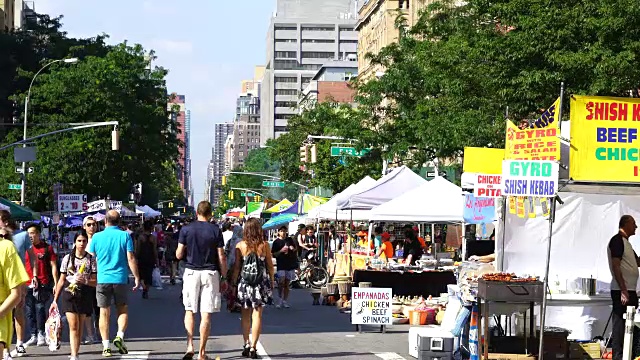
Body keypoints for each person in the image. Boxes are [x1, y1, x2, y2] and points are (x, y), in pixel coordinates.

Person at [176, 201, 228, 360]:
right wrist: (224, 276)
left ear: (197, 212)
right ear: (210, 213)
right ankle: (202, 353)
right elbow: (221, 256)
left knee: (189, 310)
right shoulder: (215, 230)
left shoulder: (186, 229)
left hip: (191, 271)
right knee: (206, 314)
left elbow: (178, 254)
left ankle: (190, 345)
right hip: (210, 273)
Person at [88, 210, 140, 357]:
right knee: (122, 310)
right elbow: (130, 258)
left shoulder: (97, 237)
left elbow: (91, 260)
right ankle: (119, 336)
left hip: (102, 279)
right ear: (119, 221)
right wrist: (136, 276)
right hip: (120, 279)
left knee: (103, 313)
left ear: (105, 221)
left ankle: (106, 346)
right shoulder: (125, 236)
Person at [231, 218, 274, 359]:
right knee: (257, 316)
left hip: (245, 283)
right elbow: (269, 265)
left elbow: (237, 267)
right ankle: (254, 347)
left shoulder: (240, 246)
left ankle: (246, 343)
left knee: (245, 316)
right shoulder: (264, 245)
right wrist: (272, 281)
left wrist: (233, 283)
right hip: (260, 283)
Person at [51, 231, 97, 360]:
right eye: (79, 241)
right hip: (69, 294)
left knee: (80, 325)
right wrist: (55, 300)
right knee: (73, 325)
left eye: (84, 241)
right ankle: (74, 355)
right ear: (75, 242)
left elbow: (95, 281)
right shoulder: (68, 258)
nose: (82, 244)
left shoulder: (91, 259)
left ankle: (76, 352)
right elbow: (61, 280)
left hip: (84, 293)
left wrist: (86, 280)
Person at [0, 211, 36, 356]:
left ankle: (19, 342)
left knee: (19, 310)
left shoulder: (21, 236)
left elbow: (32, 257)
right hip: (8, 275)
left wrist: (32, 276)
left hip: (17, 278)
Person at [608, 215, 640, 360]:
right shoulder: (617, 241)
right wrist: (623, 290)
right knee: (620, 326)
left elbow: (636, 262)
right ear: (626, 224)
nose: (636, 227)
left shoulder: (627, 243)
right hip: (622, 291)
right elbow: (616, 266)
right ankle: (618, 357)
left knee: (631, 325)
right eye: (634, 224)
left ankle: (630, 355)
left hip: (630, 290)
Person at [23, 224, 58, 347]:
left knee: (40, 308)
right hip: (26, 283)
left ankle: (41, 333)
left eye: (33, 233)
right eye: (28, 234)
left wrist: (56, 283)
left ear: (38, 234)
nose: (30, 236)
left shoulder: (47, 248)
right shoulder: (25, 248)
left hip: (42, 283)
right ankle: (33, 335)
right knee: (29, 310)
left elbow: (53, 266)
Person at [82, 215, 100, 345]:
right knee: (87, 309)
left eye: (94, 224)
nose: (91, 227)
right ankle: (89, 334)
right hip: (86, 279)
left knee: (100, 308)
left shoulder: (101, 239)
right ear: (84, 227)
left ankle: (100, 332)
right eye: (89, 224)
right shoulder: (81, 241)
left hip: (100, 278)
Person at [271, 225, 297, 309]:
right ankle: (279, 299)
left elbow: (295, 249)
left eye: (284, 231)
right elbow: (273, 254)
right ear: (278, 232)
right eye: (281, 231)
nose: (283, 232)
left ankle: (285, 300)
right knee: (281, 282)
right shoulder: (276, 242)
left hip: (289, 263)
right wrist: (281, 251)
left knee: (287, 283)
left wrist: (292, 248)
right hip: (281, 263)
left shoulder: (289, 240)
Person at [135, 221, 158, 299]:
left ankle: (144, 288)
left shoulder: (140, 237)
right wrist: (156, 259)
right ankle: (146, 290)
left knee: (141, 275)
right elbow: (155, 249)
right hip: (150, 258)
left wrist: (136, 257)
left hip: (142, 258)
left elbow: (138, 249)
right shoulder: (153, 238)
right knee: (149, 276)